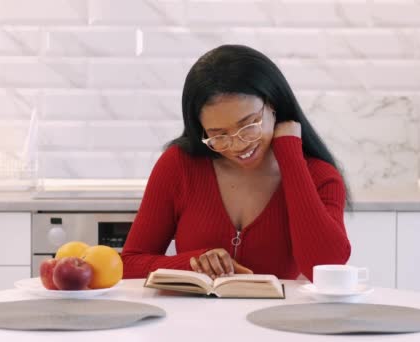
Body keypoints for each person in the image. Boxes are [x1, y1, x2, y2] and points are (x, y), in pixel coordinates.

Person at [121, 44, 351, 282]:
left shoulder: (319, 176)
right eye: (219, 135)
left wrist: (290, 155)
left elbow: (326, 267)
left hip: (274, 319)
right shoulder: (179, 165)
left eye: (249, 125)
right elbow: (129, 264)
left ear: (273, 104)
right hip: (194, 319)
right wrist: (196, 265)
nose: (237, 145)